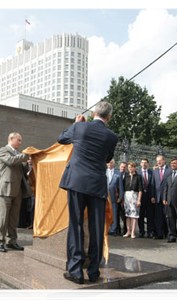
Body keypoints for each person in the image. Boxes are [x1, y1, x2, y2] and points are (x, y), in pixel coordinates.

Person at [58, 102, 118, 285]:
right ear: (108, 118)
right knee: (97, 228)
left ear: (93, 113)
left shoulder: (80, 127)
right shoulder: (112, 136)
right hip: (97, 185)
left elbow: (61, 138)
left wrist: (76, 123)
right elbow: (107, 158)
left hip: (76, 182)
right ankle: (93, 271)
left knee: (75, 224)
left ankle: (75, 271)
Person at [0, 132, 32, 253]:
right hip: (6, 189)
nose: (20, 143)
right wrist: (24, 156)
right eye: (19, 140)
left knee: (13, 218)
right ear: (11, 138)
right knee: (3, 217)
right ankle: (0, 242)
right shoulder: (3, 150)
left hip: (18, 189)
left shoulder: (18, 154)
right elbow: (10, 161)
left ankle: (12, 241)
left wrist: (27, 164)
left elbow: (22, 169)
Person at [151, 155, 171, 239]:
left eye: (160, 161)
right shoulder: (155, 171)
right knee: (158, 217)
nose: (158, 162)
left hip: (167, 197)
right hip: (157, 197)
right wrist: (152, 196)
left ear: (164, 161)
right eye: (157, 161)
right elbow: (152, 184)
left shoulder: (169, 170)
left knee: (168, 217)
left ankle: (169, 233)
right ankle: (159, 233)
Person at [123, 162, 143, 239]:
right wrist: (123, 199)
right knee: (127, 215)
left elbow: (140, 189)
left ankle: (133, 232)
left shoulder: (138, 177)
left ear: (134, 168)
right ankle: (128, 231)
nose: (130, 168)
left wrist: (139, 199)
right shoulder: (126, 176)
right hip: (127, 196)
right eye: (129, 167)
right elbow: (124, 188)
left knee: (134, 215)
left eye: (131, 167)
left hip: (135, 195)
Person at [138, 158, 155, 238]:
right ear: (140, 164)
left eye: (145, 163)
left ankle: (150, 231)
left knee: (150, 215)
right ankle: (141, 231)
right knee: (140, 215)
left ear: (148, 164)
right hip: (140, 197)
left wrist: (152, 196)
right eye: (142, 163)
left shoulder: (151, 173)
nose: (144, 164)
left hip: (149, 197)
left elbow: (153, 185)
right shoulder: (137, 173)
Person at [106, 159, 124, 236]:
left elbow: (120, 186)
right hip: (105, 196)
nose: (110, 164)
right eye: (109, 162)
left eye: (111, 162)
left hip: (114, 196)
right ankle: (106, 229)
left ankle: (113, 229)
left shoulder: (118, 173)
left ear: (114, 164)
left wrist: (120, 197)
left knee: (114, 213)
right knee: (105, 213)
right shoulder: (103, 172)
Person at [116, 162, 128, 236]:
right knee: (117, 213)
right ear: (119, 167)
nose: (123, 168)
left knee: (124, 215)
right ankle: (117, 229)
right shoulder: (116, 174)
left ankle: (125, 229)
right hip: (117, 197)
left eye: (124, 167)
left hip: (126, 197)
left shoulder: (128, 175)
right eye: (121, 167)